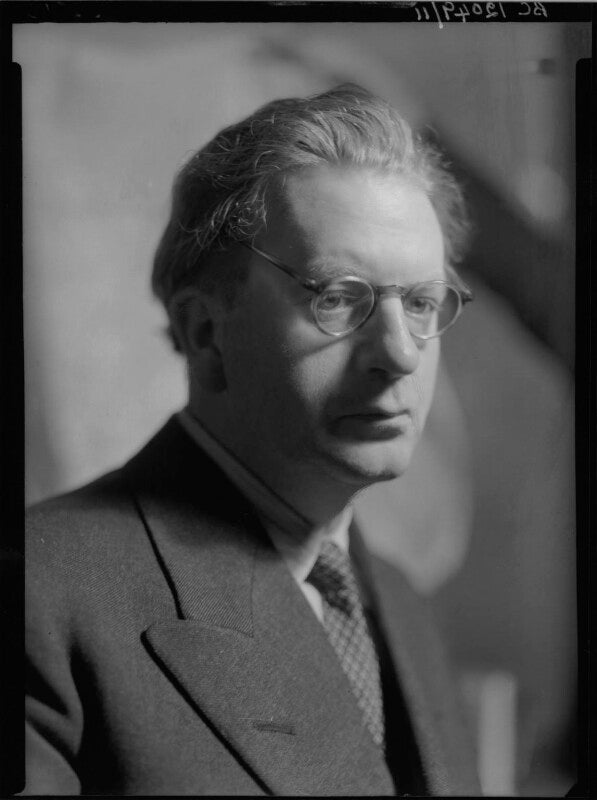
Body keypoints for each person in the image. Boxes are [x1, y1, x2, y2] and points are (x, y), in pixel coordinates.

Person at [25, 84, 480, 796]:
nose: (399, 353)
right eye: (337, 297)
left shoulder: (400, 603)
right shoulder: (39, 590)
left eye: (421, 302)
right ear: (206, 333)